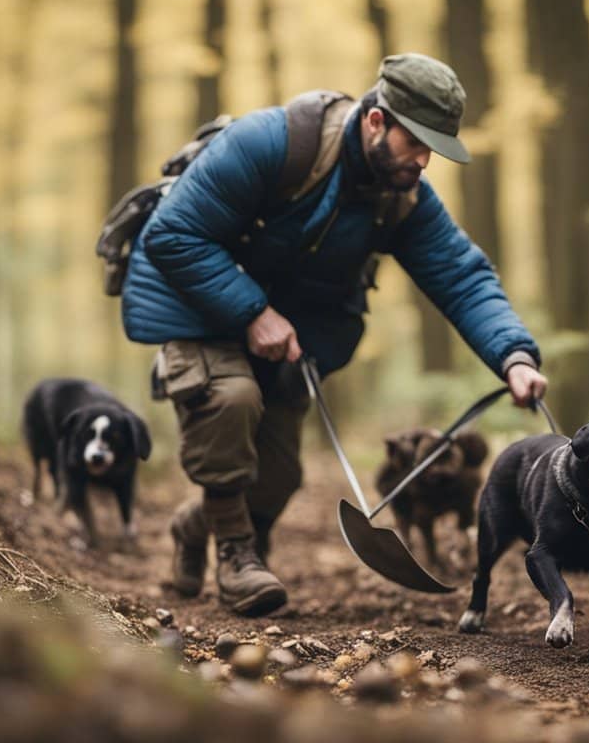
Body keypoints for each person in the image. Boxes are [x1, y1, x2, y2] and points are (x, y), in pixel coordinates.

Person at [121, 53, 548, 616]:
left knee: (277, 476)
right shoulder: (268, 143)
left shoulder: (403, 196)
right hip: (196, 304)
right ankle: (237, 556)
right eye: (415, 143)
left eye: (434, 149)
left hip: (290, 333)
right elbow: (173, 235)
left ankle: (196, 525)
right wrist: (252, 313)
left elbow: (462, 277)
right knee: (233, 398)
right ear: (376, 121)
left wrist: (514, 355)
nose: (423, 161)